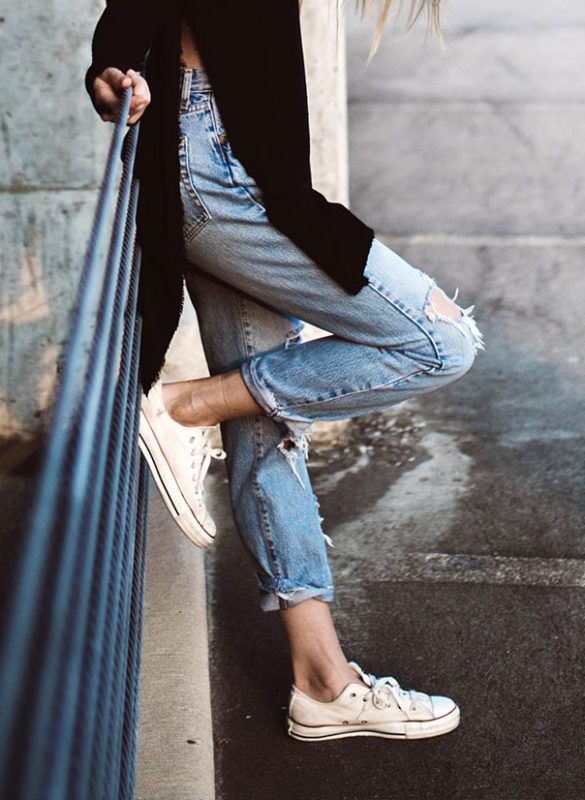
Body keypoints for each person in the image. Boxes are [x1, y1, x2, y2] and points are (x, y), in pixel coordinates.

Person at [86, 0, 483, 742]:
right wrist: (111, 67)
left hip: (218, 156)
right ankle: (182, 408)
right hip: (220, 171)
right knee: (439, 341)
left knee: (262, 415)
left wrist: (113, 65)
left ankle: (321, 680)